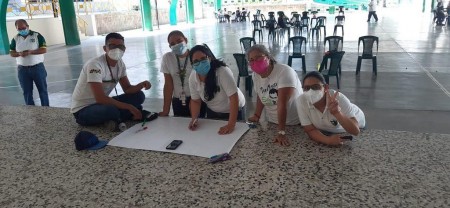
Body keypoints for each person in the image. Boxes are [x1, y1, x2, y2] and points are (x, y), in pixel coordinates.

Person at [70, 32, 151, 130]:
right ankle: (123, 115)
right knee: (111, 110)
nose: (117, 49)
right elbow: (100, 98)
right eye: (112, 46)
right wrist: (129, 107)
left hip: (101, 104)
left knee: (139, 96)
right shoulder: (95, 65)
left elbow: (128, 89)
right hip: (83, 109)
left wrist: (141, 85)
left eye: (121, 46)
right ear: (105, 48)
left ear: (124, 49)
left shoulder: (120, 64)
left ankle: (115, 119)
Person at [246, 45, 303, 146]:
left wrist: (281, 132)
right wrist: (257, 115)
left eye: (258, 57)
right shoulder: (255, 75)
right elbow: (260, 94)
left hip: (296, 122)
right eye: (251, 60)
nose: (255, 61)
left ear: (268, 57)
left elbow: (282, 103)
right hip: (273, 122)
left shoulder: (284, 72)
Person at [188, 45, 246, 135]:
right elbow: (195, 101)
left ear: (209, 58)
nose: (200, 63)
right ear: (192, 64)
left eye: (203, 58)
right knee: (213, 137)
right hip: (213, 110)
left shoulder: (222, 72)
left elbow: (234, 98)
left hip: (234, 110)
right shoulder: (193, 77)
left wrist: (231, 124)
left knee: (234, 137)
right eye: (196, 61)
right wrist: (194, 119)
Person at [297, 71, 366, 146]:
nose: (310, 91)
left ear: (326, 87)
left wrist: (337, 113)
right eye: (306, 88)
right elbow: (310, 129)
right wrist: (328, 140)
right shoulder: (301, 100)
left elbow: (355, 131)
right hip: (327, 129)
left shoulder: (338, 98)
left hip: (354, 124)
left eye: (316, 87)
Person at [159, 30, 205, 117]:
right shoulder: (167, 58)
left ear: (186, 40)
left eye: (179, 41)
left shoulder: (196, 56)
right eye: (172, 44)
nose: (176, 45)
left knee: (198, 126)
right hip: (178, 101)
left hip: (197, 99)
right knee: (180, 127)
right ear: (170, 46)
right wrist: (166, 110)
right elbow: (168, 85)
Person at [9, 19, 49, 106]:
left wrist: (30, 52)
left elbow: (44, 49)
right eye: (19, 29)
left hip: (37, 68)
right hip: (22, 70)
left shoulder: (37, 36)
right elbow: (12, 52)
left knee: (43, 90)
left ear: (27, 26)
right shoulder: (15, 39)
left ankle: (46, 109)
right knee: (26, 92)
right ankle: (31, 110)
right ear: (16, 29)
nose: (22, 30)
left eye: (23, 28)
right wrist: (19, 53)